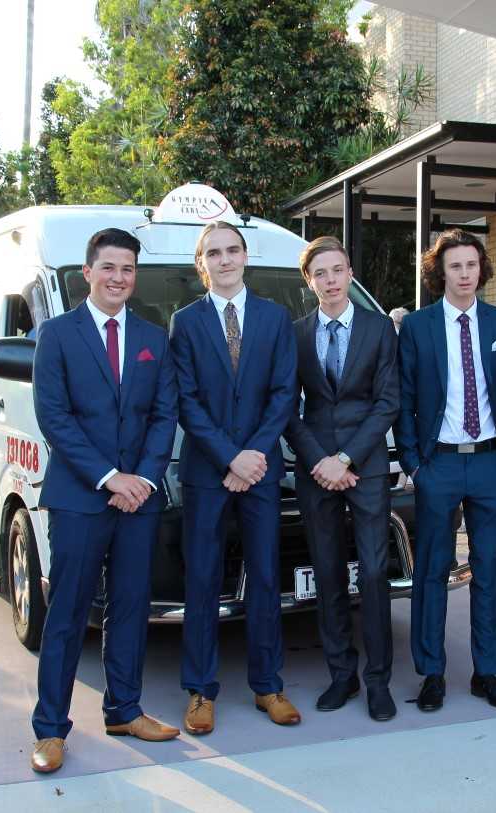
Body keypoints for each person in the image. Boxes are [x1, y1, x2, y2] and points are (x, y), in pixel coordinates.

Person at [29, 227, 180, 774]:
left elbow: (165, 415)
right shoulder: (58, 335)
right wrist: (110, 477)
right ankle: (50, 729)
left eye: (128, 269)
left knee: (131, 608)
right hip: (79, 498)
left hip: (140, 499)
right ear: (87, 272)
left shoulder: (151, 336)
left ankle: (124, 710)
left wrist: (141, 478)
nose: (119, 277)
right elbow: (55, 418)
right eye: (109, 267)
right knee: (67, 614)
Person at [170, 221, 300, 735]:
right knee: (201, 580)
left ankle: (268, 685)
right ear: (202, 265)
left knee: (266, 578)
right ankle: (201, 691)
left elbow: (283, 394)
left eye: (232, 250)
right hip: (208, 473)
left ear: (246, 256)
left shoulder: (274, 318)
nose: (225, 260)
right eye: (214, 253)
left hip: (262, 471)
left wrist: (252, 456)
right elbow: (187, 402)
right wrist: (229, 458)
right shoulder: (186, 322)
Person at [394, 228, 496, 714]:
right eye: (455, 266)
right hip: (438, 465)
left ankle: (488, 671)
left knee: (491, 570)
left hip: (491, 462)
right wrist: (414, 463)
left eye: (472, 265)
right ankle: (432, 673)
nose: (465, 274)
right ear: (440, 272)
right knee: (431, 571)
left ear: (481, 269)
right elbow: (404, 398)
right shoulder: (419, 327)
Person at [284, 236, 400, 722]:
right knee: (326, 572)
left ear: (350, 272)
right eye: (320, 274)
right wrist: (320, 461)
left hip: (367, 465)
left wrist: (347, 458)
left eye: (337, 270)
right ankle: (341, 675)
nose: (330, 281)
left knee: (373, 573)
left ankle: (378, 681)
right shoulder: (297, 333)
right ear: (309, 283)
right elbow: (287, 407)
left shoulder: (379, 329)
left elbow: (388, 401)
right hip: (315, 470)